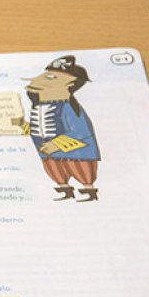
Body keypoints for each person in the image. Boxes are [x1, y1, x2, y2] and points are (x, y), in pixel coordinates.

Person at [22, 55, 101, 202]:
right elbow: (37, 127)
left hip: (75, 152)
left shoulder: (67, 107)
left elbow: (80, 131)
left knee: (79, 169)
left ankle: (89, 191)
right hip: (47, 151)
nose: (37, 80)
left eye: (51, 78)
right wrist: (23, 126)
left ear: (70, 84)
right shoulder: (38, 107)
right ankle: (65, 190)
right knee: (55, 170)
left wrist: (56, 144)